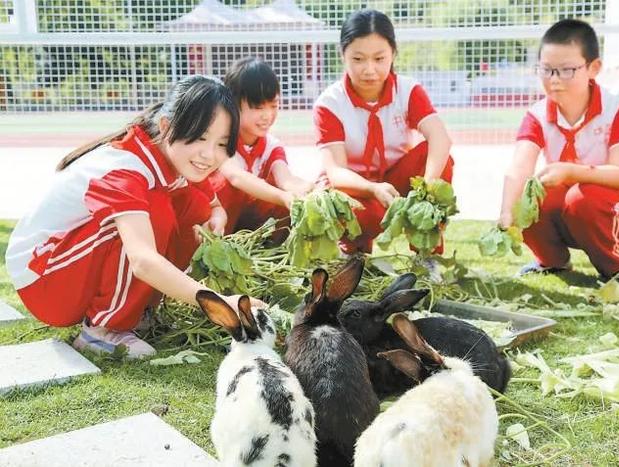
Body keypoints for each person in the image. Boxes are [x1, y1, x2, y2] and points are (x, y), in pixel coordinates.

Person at [5, 75, 264, 359]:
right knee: (155, 210)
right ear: (166, 127)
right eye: (200, 137)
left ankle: (135, 310)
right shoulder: (126, 169)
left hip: (66, 270)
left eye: (220, 144)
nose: (208, 154)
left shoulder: (159, 152)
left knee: (188, 207)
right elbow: (142, 260)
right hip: (44, 280)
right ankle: (102, 330)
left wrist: (216, 210)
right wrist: (221, 303)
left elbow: (205, 199)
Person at [498, 19, 619, 285]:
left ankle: (615, 268)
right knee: (527, 196)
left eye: (566, 70)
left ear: (594, 68)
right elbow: (519, 166)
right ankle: (552, 260)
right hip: (570, 203)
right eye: (546, 70)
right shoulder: (537, 113)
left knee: (581, 199)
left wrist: (569, 170)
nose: (554, 81)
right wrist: (507, 212)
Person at [313, 9, 454, 254]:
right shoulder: (329, 103)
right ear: (342, 55)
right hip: (357, 189)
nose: (369, 70)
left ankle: (427, 255)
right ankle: (354, 249)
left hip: (397, 179)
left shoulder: (408, 90)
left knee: (442, 161)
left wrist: (427, 190)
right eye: (358, 59)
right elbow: (336, 171)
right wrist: (373, 189)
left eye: (379, 59)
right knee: (339, 200)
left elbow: (440, 138)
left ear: (393, 54)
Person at [213, 57, 314, 235]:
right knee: (227, 185)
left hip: (248, 226)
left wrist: (313, 190)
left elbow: (286, 180)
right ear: (233, 106)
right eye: (258, 108)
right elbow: (236, 177)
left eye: (273, 105)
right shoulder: (221, 141)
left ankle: (270, 248)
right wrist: (282, 196)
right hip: (217, 222)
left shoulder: (272, 146)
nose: (268, 115)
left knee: (284, 196)